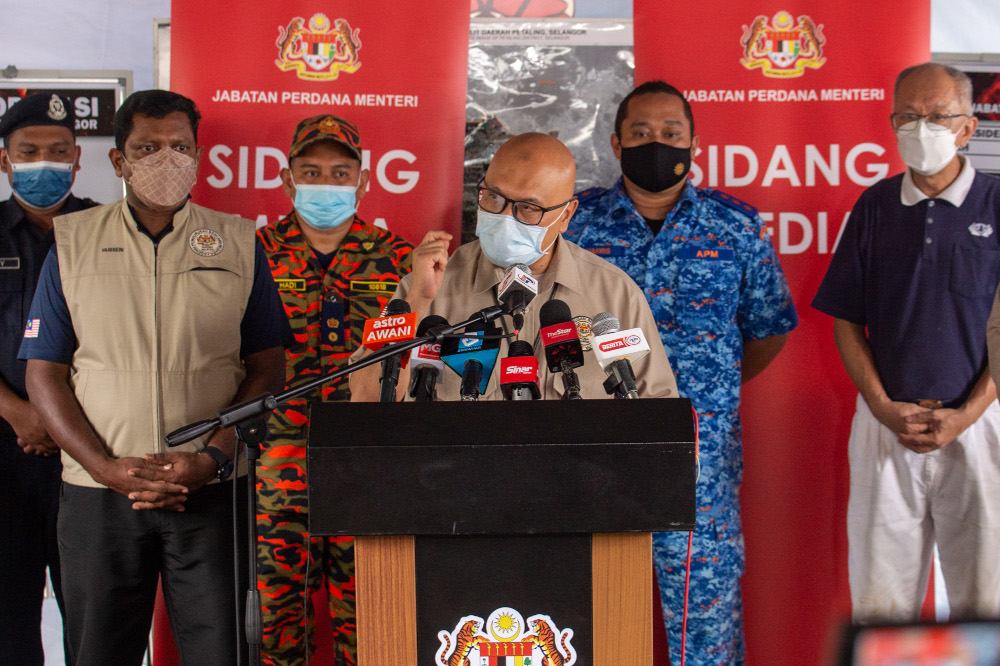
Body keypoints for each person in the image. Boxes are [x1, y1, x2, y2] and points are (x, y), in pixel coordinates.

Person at [18, 89, 291, 666]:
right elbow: (44, 373)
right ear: (119, 160)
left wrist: (212, 459)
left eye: (179, 147)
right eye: (148, 148)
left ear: (198, 155)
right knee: (98, 652)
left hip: (211, 491)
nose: (167, 159)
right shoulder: (73, 242)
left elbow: (268, 365)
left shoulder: (239, 242)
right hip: (99, 495)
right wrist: (104, 468)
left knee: (222, 652)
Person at [565, 80, 797, 664]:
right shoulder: (574, 227)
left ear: (694, 144)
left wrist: (710, 385)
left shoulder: (735, 227)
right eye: (641, 132)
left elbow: (768, 328)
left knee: (704, 620)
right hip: (595, 449)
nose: (657, 143)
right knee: (587, 614)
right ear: (616, 143)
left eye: (671, 133)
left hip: (701, 456)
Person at [814, 62, 1000, 623]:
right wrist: (879, 405)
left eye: (938, 116)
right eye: (908, 117)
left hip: (981, 426)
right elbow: (846, 320)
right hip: (886, 426)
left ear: (968, 127)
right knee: (880, 605)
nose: (922, 128)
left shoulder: (996, 203)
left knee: (986, 602)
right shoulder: (874, 206)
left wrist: (967, 414)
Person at [349, 131, 679, 402]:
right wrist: (418, 301)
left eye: (528, 207)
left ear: (566, 215)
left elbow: (659, 418)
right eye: (494, 197)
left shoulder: (615, 294)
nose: (505, 217)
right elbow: (364, 400)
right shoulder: (429, 284)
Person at [256, 114, 413, 666]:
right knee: (276, 624)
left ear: (363, 182)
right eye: (311, 171)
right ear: (287, 179)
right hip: (276, 467)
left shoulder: (400, 259)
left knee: (368, 619)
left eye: (340, 172)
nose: (326, 183)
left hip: (367, 465)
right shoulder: (252, 254)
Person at [0, 92, 97, 666]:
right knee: (8, 620)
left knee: (93, 613)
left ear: (77, 158)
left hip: (88, 453)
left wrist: (63, 425)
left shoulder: (105, 229)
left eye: (59, 151)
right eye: (29, 151)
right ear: (5, 160)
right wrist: (20, 413)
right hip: (7, 450)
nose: (45, 163)